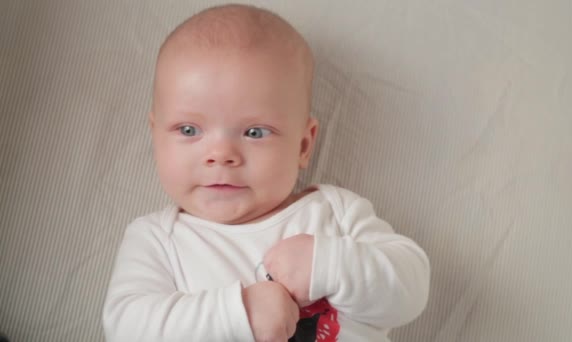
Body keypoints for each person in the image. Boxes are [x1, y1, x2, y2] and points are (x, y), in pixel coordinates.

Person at [102, 4, 430, 342]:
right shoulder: (157, 240)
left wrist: (331, 264)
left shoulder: (336, 212)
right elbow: (125, 328)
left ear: (303, 146)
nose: (221, 156)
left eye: (255, 132)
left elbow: (411, 289)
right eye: (188, 130)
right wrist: (238, 314)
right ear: (154, 135)